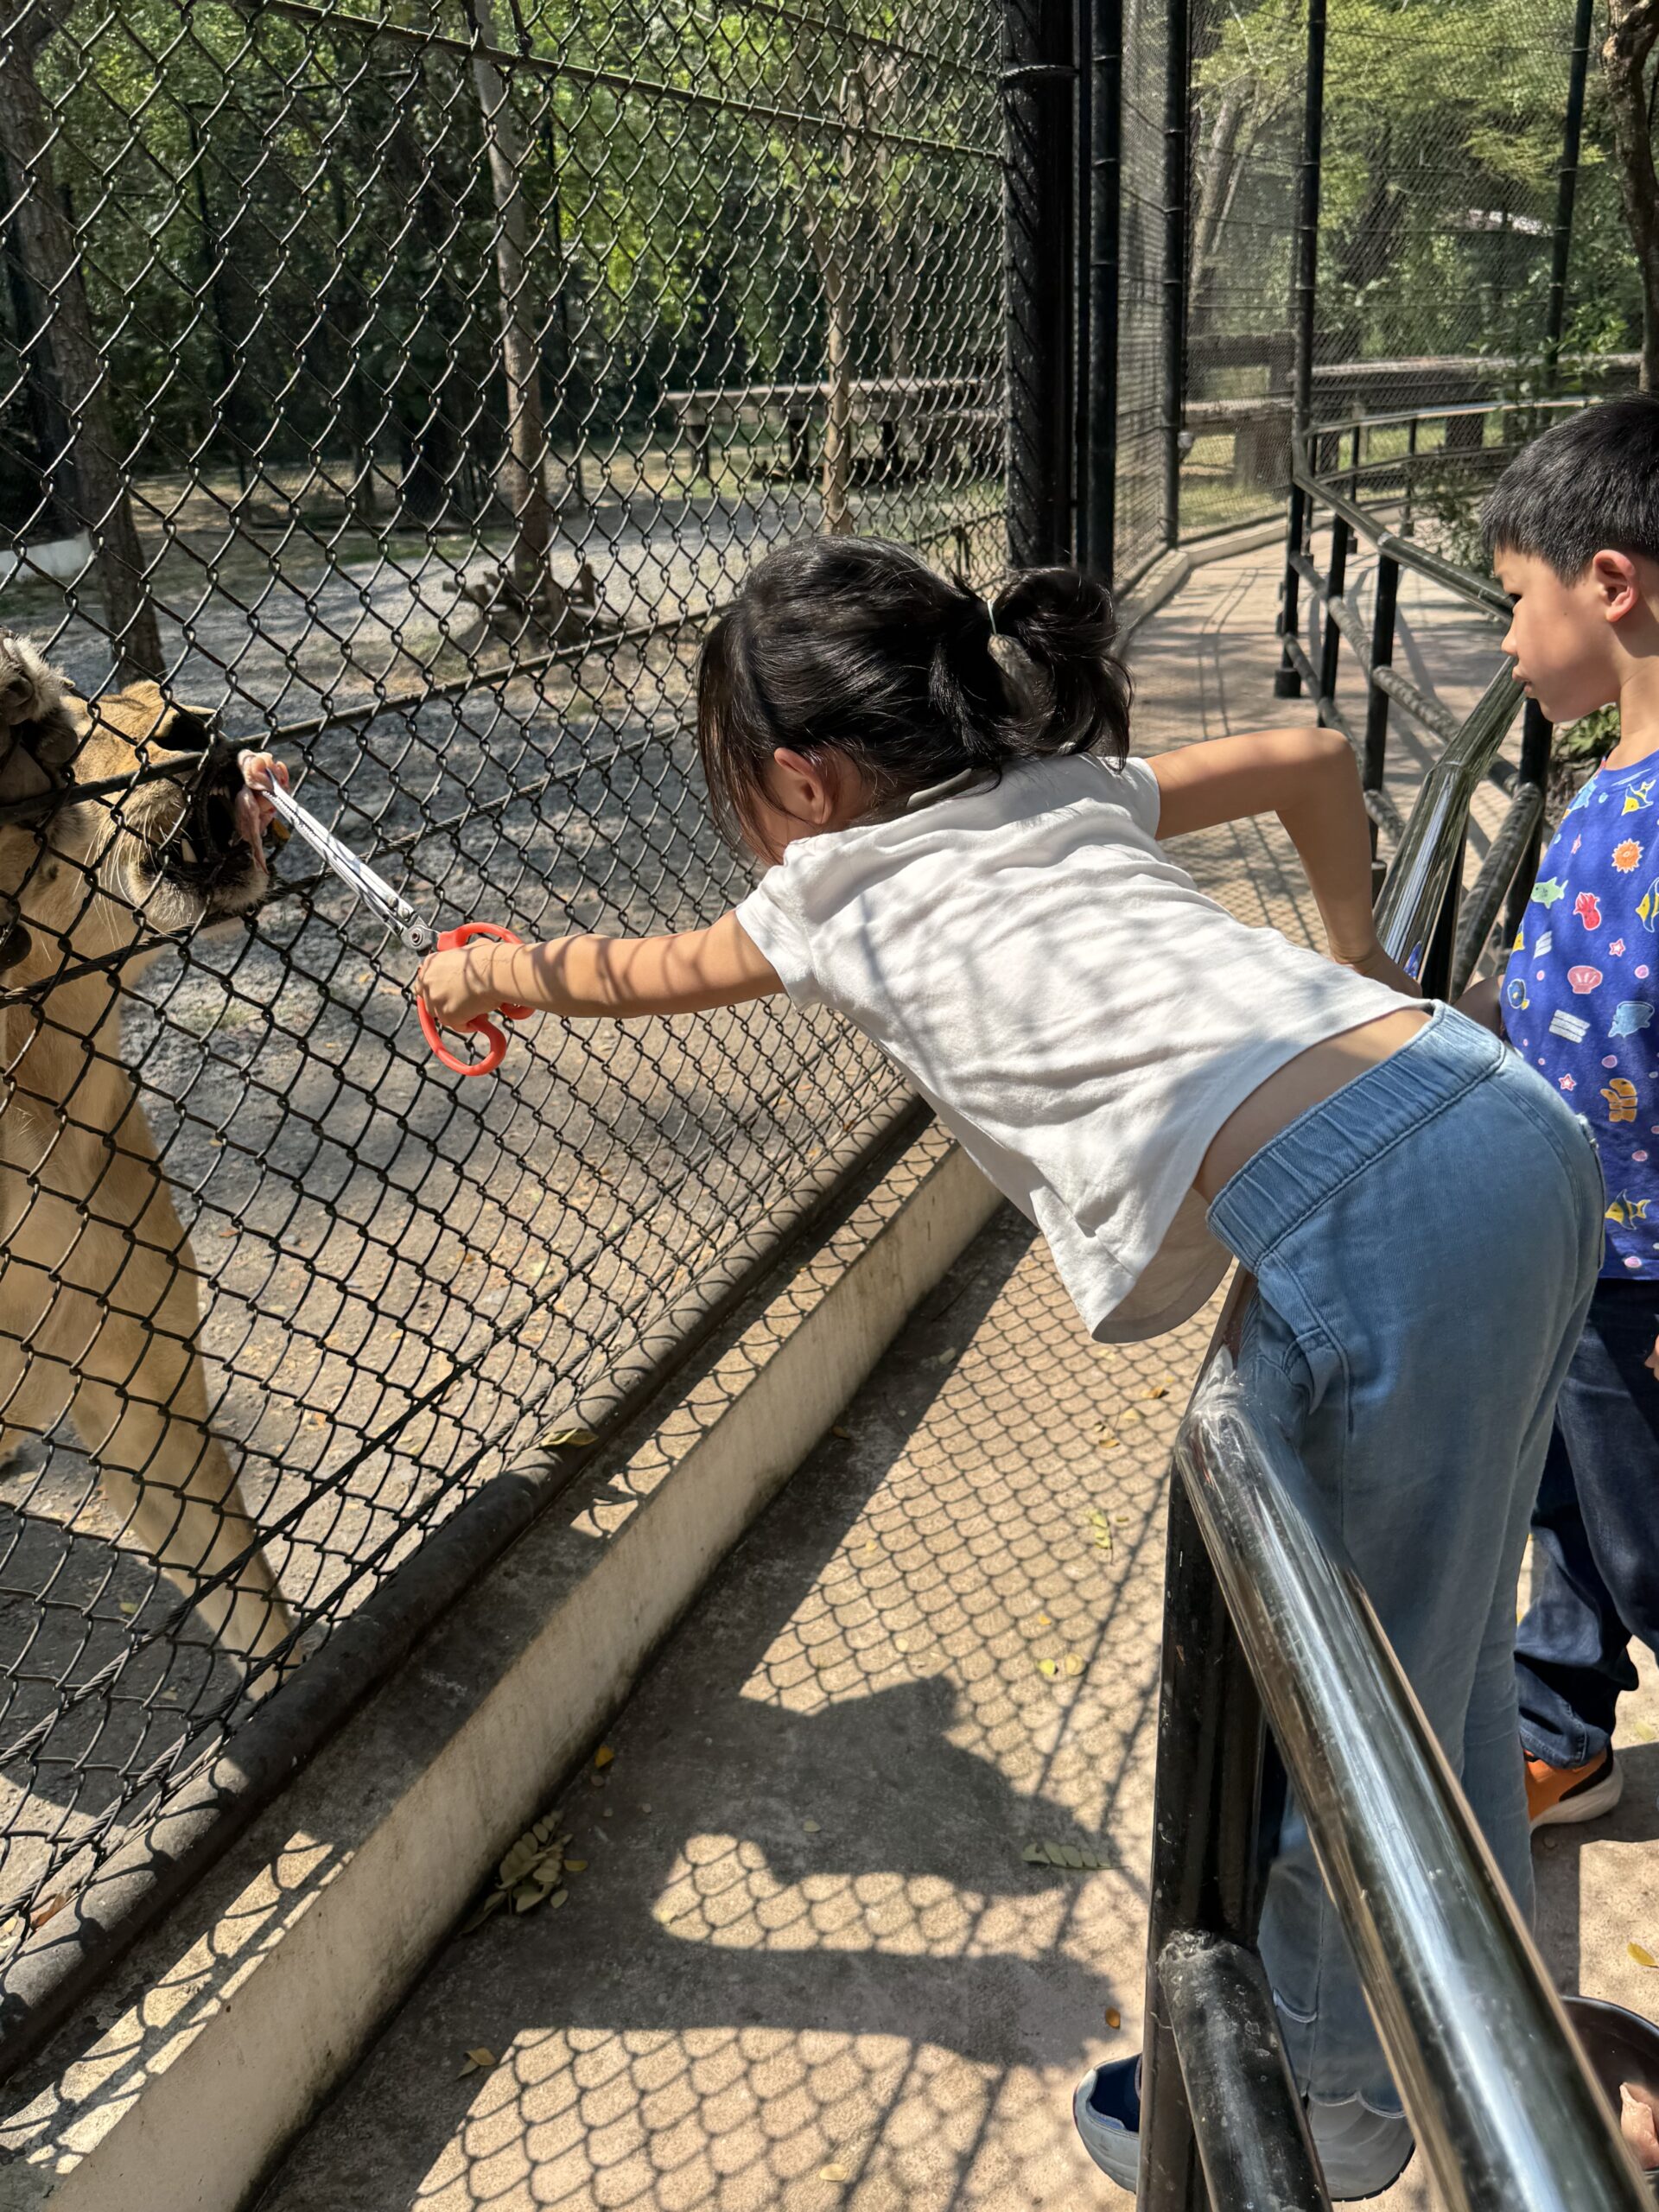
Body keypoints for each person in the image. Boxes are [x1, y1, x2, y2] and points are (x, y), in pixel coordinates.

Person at [416, 535, 1602, 2198]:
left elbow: (639, 976)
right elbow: (1318, 764)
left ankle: (1334, 2093)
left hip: (1376, 1215)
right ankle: (1464, 2019)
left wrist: (486, 971)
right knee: (1447, 1638)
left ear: (795, 781)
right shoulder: (1064, 786)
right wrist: (1362, 965)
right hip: (1495, 1113)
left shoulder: (831, 895)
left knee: (1324, 1698)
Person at [1462, 395, 1659, 1832]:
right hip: (1586, 1230)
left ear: (1611, 584)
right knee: (1565, 1498)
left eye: (1516, 600)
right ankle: (1561, 1727)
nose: (1506, 643)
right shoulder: (1609, 770)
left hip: (1644, 1260)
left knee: (1643, 1536)